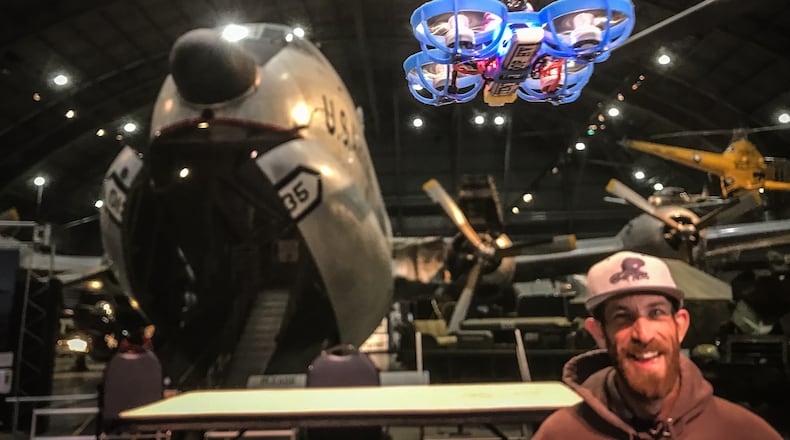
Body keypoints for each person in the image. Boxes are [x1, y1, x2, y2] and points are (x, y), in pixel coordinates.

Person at [532, 250, 782, 439]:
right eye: (622, 317)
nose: (643, 334)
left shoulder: (744, 433)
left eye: (656, 313)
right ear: (599, 333)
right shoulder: (561, 434)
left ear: (680, 325)